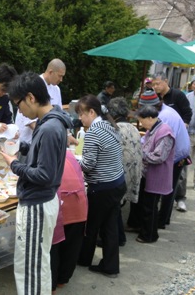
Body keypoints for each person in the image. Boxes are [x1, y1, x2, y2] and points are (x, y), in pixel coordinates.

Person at [0, 71, 72, 295]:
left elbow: (44, 175)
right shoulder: (50, 121)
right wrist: (22, 149)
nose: (18, 110)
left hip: (37, 204)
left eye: (18, 104)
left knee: (30, 266)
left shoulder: (49, 128)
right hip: (43, 202)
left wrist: (14, 165)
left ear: (30, 97)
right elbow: (43, 158)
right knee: (37, 261)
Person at [75, 95, 126, 278]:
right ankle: (110, 266)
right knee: (110, 227)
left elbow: (88, 164)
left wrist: (73, 160)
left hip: (102, 187)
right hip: (118, 182)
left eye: (82, 114)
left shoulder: (93, 132)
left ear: (92, 112)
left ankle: (84, 259)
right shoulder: (109, 126)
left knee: (91, 226)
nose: (80, 118)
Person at [134, 91, 190, 227]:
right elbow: (148, 136)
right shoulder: (161, 113)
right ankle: (156, 222)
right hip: (172, 153)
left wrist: (141, 152)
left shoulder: (164, 117)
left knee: (164, 191)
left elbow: (160, 147)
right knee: (163, 191)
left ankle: (159, 222)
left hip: (176, 156)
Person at [134, 105, 175, 243]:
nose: (141, 124)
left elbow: (159, 156)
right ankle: (145, 231)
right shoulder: (153, 128)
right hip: (149, 173)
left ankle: (149, 235)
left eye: (142, 121)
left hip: (157, 175)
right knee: (146, 205)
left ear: (150, 118)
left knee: (150, 207)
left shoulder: (164, 131)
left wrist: (140, 154)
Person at [15, 58, 77, 146]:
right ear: (51, 72)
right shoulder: (33, 84)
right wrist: (52, 135)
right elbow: (29, 121)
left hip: (44, 139)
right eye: (60, 76)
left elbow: (59, 114)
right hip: (27, 141)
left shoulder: (56, 89)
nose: (61, 79)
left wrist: (67, 134)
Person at [50, 150, 88, 293]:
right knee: (72, 245)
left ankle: (51, 285)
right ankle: (62, 280)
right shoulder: (70, 155)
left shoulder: (47, 156)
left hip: (60, 205)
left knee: (53, 246)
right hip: (79, 203)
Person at [108, 97, 143, 245]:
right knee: (116, 207)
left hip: (120, 175)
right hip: (134, 174)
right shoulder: (133, 128)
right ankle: (119, 237)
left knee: (112, 206)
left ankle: (116, 239)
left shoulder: (115, 129)